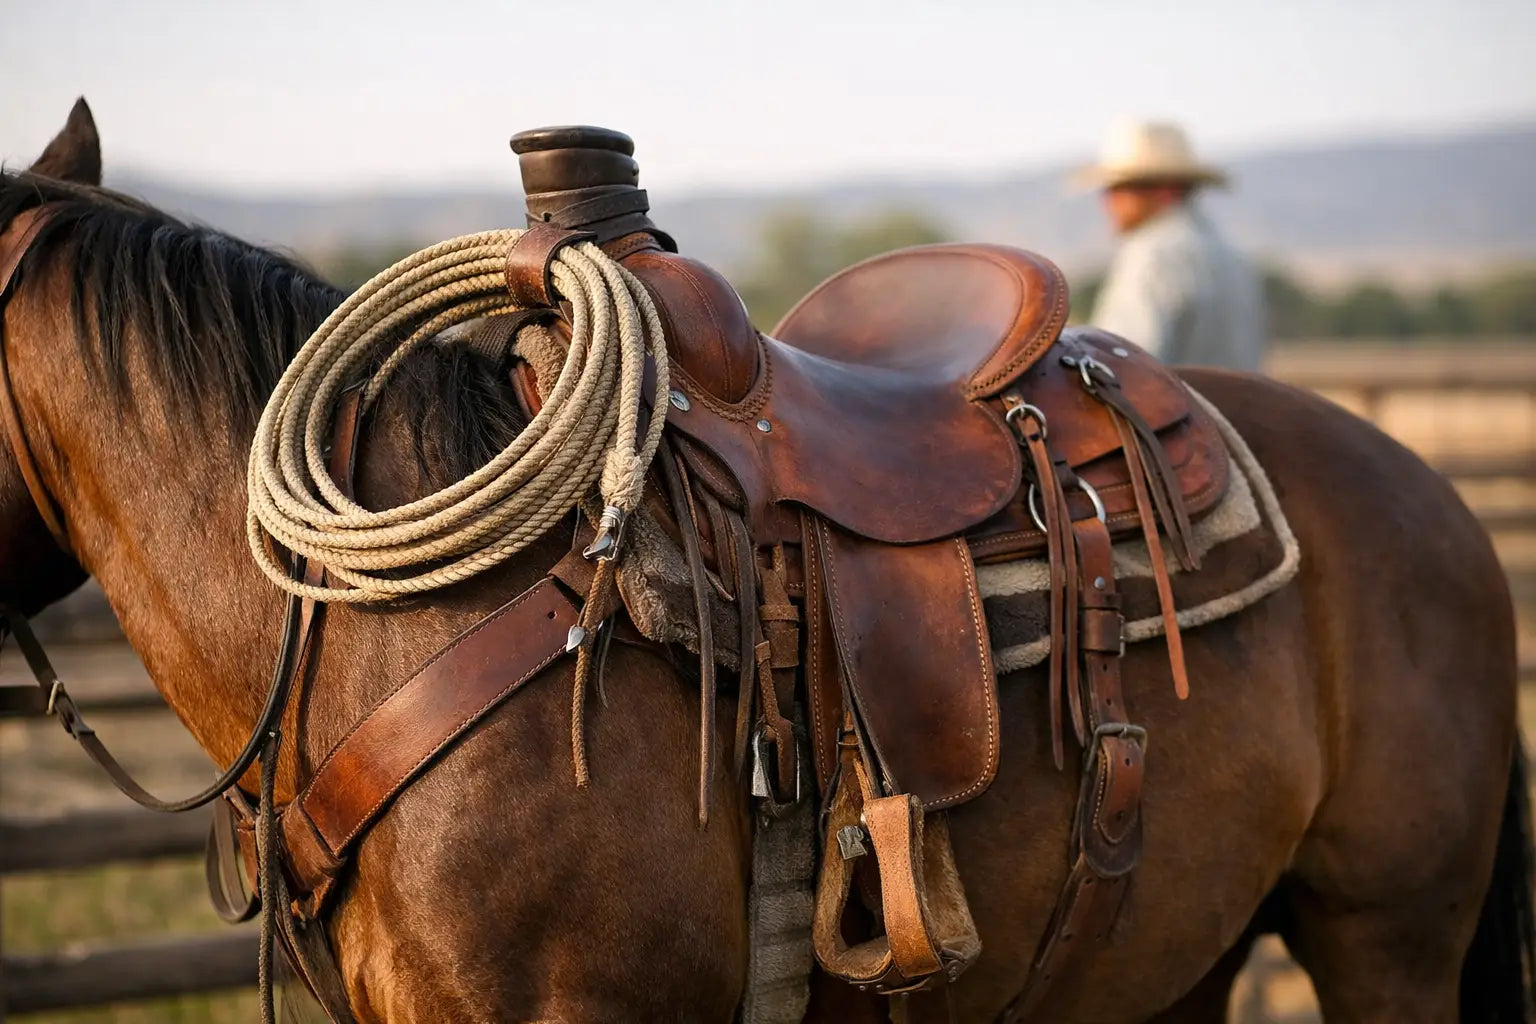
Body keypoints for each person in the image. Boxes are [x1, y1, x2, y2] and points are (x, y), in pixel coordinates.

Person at [1075, 119, 1266, 371]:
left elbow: (1122, 366)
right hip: (1235, 409)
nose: (1108, 202)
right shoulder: (1230, 254)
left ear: (1165, 190)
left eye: (1120, 188)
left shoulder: (1152, 252)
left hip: (1176, 410)